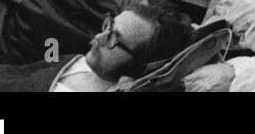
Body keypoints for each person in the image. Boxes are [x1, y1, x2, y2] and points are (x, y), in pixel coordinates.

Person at [51, 6, 191, 92]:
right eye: (109, 25)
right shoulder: (79, 59)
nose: (99, 37)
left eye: (114, 38)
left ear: (139, 66)